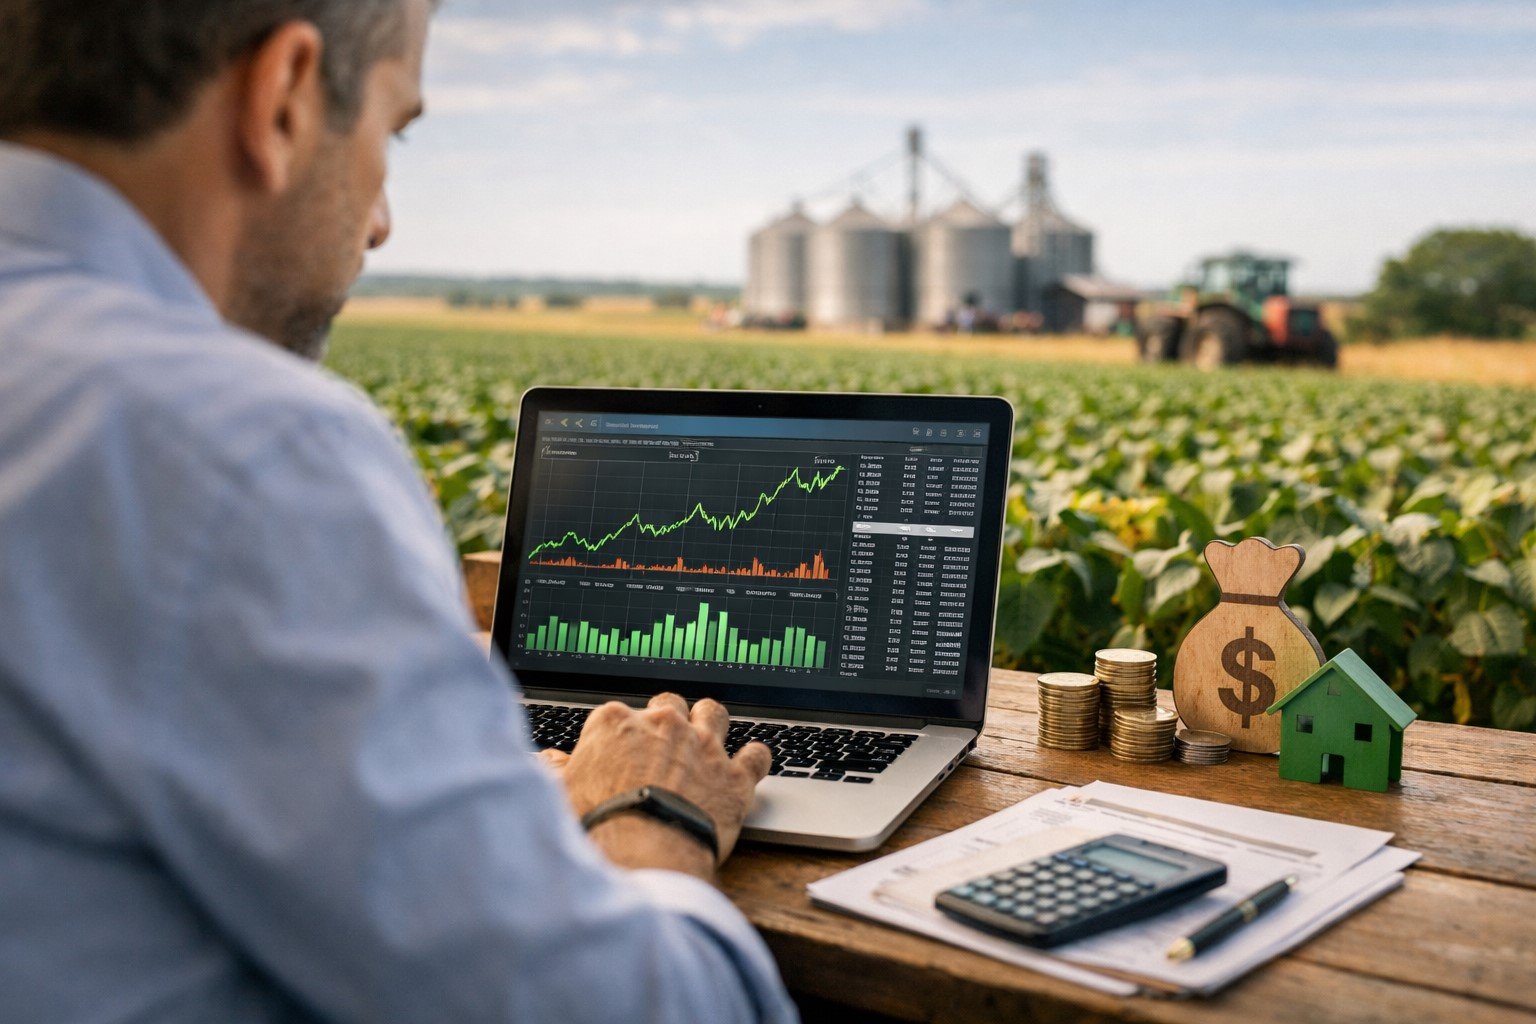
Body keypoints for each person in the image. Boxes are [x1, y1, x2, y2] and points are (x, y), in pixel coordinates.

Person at [0, 1, 796, 1021]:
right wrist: (656, 814)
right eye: (393, 131)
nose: (381, 222)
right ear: (284, 97)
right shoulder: (246, 447)